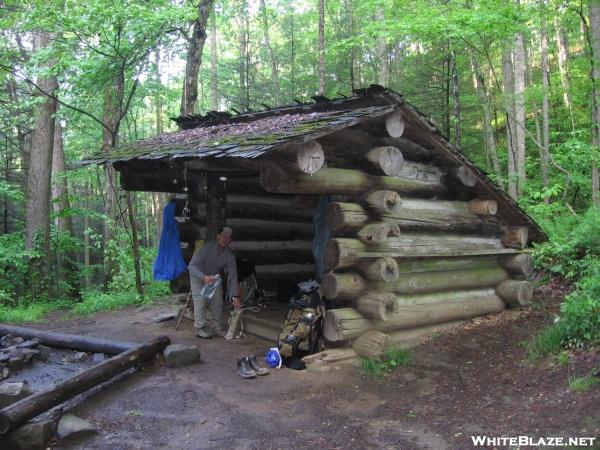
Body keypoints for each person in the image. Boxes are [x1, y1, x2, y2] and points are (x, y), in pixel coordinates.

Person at [188, 226, 241, 338]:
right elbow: (191, 266)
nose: (225, 239)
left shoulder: (229, 255)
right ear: (218, 236)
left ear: (230, 241)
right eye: (223, 236)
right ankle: (200, 328)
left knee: (217, 301)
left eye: (228, 238)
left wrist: (235, 296)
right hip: (198, 275)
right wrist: (203, 277)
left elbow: (233, 275)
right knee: (200, 300)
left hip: (213, 278)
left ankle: (216, 326)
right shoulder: (206, 247)